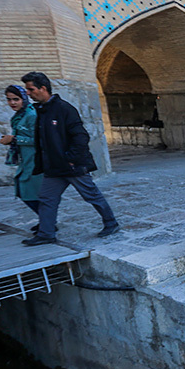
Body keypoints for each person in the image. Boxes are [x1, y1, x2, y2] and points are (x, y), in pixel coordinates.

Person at [20, 72, 119, 246]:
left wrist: (70, 159)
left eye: (31, 89)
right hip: (53, 168)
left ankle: (111, 223)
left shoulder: (64, 109)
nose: (28, 93)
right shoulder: (41, 111)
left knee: (91, 195)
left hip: (71, 166)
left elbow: (80, 136)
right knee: (46, 199)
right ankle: (46, 233)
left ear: (43, 88)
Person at [0, 85, 43, 228]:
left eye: (16, 99)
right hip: (25, 160)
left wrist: (14, 139)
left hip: (35, 161)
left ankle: (48, 223)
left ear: (24, 98)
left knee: (31, 195)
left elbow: (39, 140)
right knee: (25, 193)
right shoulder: (19, 116)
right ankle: (46, 221)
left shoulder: (31, 115)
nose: (12, 103)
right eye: (9, 99)